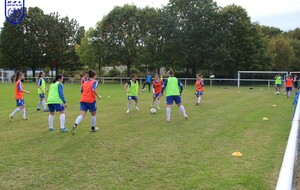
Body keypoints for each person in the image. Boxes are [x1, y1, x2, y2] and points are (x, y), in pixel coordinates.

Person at [72, 70, 101, 135]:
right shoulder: (95, 82)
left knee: (81, 115)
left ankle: (75, 124)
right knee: (93, 114)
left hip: (83, 100)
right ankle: (93, 128)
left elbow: (81, 91)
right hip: (91, 100)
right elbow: (93, 89)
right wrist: (98, 96)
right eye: (95, 76)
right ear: (94, 76)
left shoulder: (85, 82)